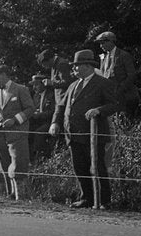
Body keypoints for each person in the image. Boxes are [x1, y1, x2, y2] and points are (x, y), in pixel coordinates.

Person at [50, 50, 120, 208]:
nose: (74, 70)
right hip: (73, 134)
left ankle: (104, 200)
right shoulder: (73, 85)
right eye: (74, 67)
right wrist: (55, 123)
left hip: (93, 134)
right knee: (79, 167)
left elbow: (114, 104)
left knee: (97, 167)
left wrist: (99, 110)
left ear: (88, 66)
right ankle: (86, 197)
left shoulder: (103, 83)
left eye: (77, 66)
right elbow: (60, 106)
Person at [0, 66, 36, 201]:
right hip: (0, 135)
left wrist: (15, 120)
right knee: (4, 163)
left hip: (17, 133)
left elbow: (30, 109)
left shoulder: (21, 89)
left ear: (4, 75)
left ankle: (21, 196)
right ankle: (10, 193)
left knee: (18, 162)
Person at [96, 31, 139, 117]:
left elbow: (132, 75)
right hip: (112, 99)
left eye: (103, 43)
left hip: (126, 97)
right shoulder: (104, 58)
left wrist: (119, 89)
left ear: (111, 41)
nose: (101, 46)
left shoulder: (124, 55)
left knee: (126, 124)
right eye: (100, 43)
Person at [29, 74, 55, 161]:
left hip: (49, 122)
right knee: (26, 131)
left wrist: (39, 115)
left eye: (36, 85)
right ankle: (30, 158)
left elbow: (52, 112)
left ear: (43, 84)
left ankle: (43, 156)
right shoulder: (35, 96)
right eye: (33, 85)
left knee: (38, 133)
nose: (34, 88)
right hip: (37, 121)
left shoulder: (51, 95)